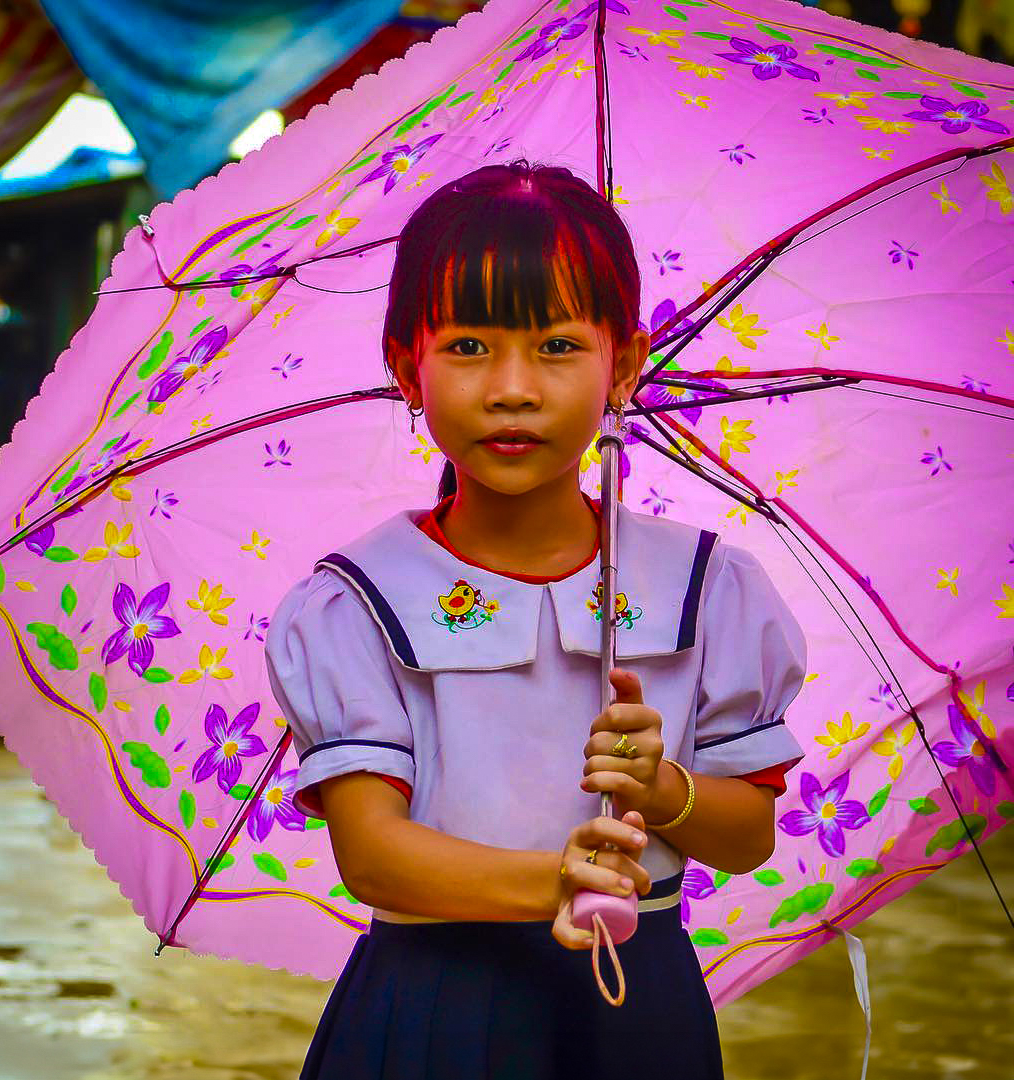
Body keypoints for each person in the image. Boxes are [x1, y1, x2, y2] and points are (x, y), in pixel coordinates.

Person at [263, 158, 807, 1080]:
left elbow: (748, 838)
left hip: (637, 1010)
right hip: (434, 1005)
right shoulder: (359, 600)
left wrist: (661, 787)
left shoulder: (706, 587)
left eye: (557, 346)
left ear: (624, 364)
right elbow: (371, 854)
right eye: (469, 347)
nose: (513, 387)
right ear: (408, 369)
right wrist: (554, 880)